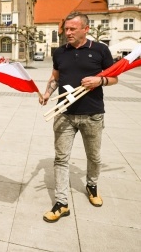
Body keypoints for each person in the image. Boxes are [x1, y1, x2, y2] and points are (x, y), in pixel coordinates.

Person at [39, 12, 118, 223]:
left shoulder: (100, 50)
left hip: (92, 114)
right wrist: (47, 93)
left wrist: (99, 81)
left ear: (86, 29)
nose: (68, 33)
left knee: (94, 157)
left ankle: (92, 185)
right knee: (61, 159)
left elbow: (114, 78)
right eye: (66, 29)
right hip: (64, 113)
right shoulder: (60, 52)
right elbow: (55, 78)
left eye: (73, 29)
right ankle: (61, 202)